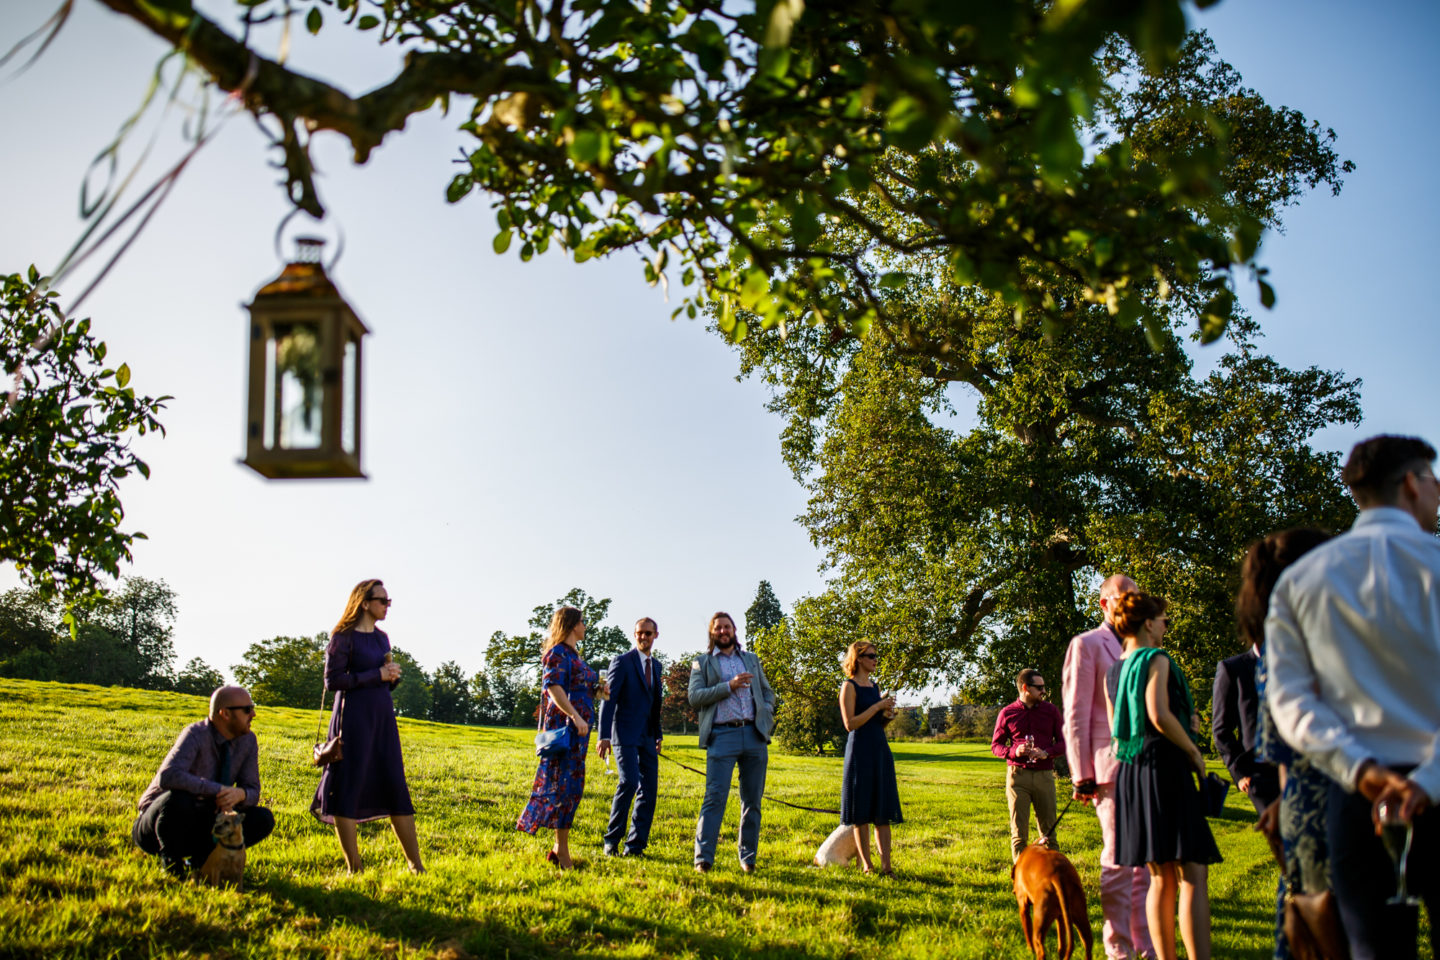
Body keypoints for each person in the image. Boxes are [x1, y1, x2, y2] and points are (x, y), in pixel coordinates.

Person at [1267, 435, 1440, 960]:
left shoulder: (1301, 580)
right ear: (1412, 483)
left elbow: (1290, 700)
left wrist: (1358, 767)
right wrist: (1428, 779)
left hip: (1359, 793)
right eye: (1433, 480)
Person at [1105, 591, 1219, 960]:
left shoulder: (1113, 670)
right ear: (1149, 623)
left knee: (1159, 876)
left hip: (1132, 772)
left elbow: (1116, 728)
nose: (1167, 625)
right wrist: (1192, 749)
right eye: (1164, 619)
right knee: (1192, 874)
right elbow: (1158, 714)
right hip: (1164, 770)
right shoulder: (1156, 658)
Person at [1237, 528, 1334, 960]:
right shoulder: (1326, 640)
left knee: (1303, 932)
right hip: (1340, 806)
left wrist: (1287, 796)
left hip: (1303, 804)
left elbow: (1279, 748)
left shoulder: (1276, 644)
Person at [1062, 573, 1155, 960]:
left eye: (1136, 595)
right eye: (1123, 596)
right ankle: (1119, 949)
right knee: (1118, 858)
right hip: (1106, 769)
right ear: (1104, 604)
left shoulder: (1145, 645)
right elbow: (1076, 713)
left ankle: (1146, 947)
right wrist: (1081, 774)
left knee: (1145, 865)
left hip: (1146, 765)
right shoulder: (1086, 644)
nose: (1131, 601)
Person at [311, 578, 424, 874]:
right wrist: (377, 675)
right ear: (364, 602)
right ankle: (354, 867)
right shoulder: (342, 637)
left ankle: (416, 866)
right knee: (348, 786)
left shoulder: (382, 638)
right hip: (352, 720)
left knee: (395, 784)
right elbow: (333, 681)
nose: (387, 606)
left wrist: (392, 677)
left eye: (389, 601)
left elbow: (383, 681)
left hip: (382, 718)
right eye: (382, 601)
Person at [133, 685, 275, 879]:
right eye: (247, 709)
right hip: (159, 826)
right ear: (225, 713)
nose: (253, 714)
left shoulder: (248, 741)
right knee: (179, 799)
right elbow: (168, 776)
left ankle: (200, 860)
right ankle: (172, 864)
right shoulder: (195, 734)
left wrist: (240, 794)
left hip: (205, 821)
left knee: (262, 818)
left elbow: (253, 790)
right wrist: (218, 791)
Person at [689, 611, 776, 874]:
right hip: (722, 736)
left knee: (752, 801)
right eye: (718, 628)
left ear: (734, 629)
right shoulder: (701, 662)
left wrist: (767, 711)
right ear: (712, 633)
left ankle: (748, 859)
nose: (723, 632)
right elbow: (694, 697)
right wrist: (729, 685)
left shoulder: (750, 659)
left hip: (753, 735)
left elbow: (768, 691)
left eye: (727, 627)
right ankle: (703, 859)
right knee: (715, 798)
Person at [518, 606, 603, 870]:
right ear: (571, 625)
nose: (585, 626)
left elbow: (578, 686)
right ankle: (562, 852)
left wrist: (598, 689)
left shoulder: (573, 655)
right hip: (566, 732)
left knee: (573, 789)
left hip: (578, 735)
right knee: (563, 789)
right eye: (582, 622)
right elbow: (554, 688)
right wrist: (576, 717)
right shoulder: (556, 654)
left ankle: (558, 848)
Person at [597, 616, 665, 857]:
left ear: (655, 635)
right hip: (623, 734)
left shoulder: (656, 666)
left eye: (648, 633)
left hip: (647, 736)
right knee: (629, 782)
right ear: (634, 635)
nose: (643, 637)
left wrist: (658, 734)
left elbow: (656, 703)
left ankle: (635, 846)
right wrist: (603, 734)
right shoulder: (621, 662)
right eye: (639, 633)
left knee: (649, 789)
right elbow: (607, 699)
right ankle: (611, 840)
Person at [838, 641, 903, 875]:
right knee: (861, 812)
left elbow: (876, 722)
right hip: (859, 752)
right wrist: (877, 707)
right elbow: (850, 724)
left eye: (876, 656)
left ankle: (887, 867)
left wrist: (887, 716)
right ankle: (867, 865)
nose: (876, 660)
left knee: (882, 811)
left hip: (879, 750)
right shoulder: (849, 687)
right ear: (859, 659)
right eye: (872, 656)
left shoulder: (875, 687)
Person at [992, 667, 1065, 862]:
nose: (1043, 691)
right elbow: (996, 746)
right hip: (1018, 777)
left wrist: (1046, 753)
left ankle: (1053, 879)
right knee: (1019, 835)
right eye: (1039, 687)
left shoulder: (1051, 711)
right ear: (1025, 688)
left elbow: (1064, 742)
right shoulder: (1007, 713)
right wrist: (1013, 751)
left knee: (1049, 834)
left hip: (1044, 776)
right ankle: (1021, 882)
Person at [1212, 642, 1280, 816]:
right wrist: (1240, 773)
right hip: (1260, 777)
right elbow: (1222, 729)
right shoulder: (1233, 669)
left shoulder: (1296, 665)